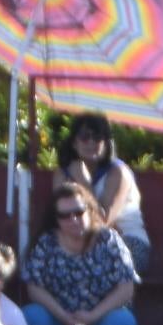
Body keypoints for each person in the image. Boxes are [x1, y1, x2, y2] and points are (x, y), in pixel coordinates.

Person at [20, 178, 139, 325]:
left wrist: (91, 316)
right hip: (58, 321)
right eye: (65, 215)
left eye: (78, 211)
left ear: (90, 209)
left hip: (99, 321)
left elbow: (126, 288)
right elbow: (34, 288)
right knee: (31, 316)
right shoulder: (46, 243)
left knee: (124, 323)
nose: (73, 219)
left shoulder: (108, 239)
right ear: (56, 220)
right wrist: (64, 317)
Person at [59, 112, 148, 268]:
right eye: (85, 136)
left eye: (98, 137)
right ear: (74, 142)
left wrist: (83, 182)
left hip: (127, 240)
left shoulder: (119, 173)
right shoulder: (63, 172)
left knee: (95, 265)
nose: (91, 142)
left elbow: (103, 221)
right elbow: (58, 216)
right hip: (77, 241)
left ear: (106, 143)